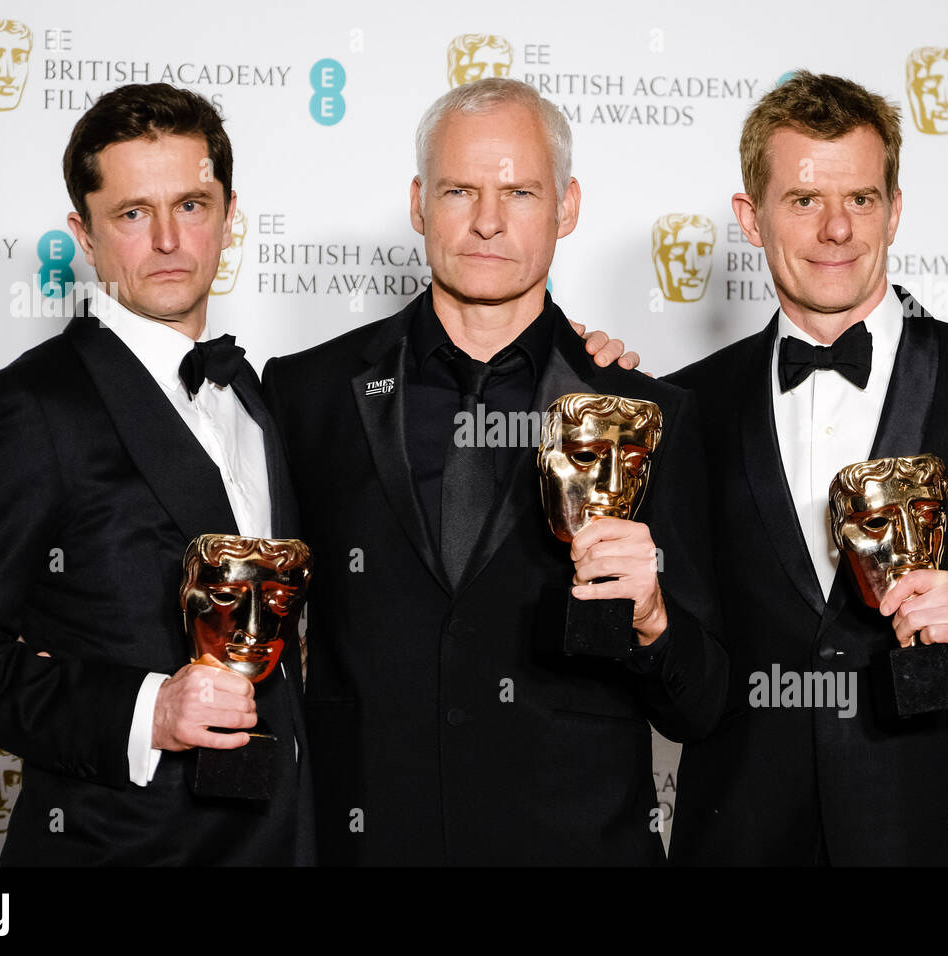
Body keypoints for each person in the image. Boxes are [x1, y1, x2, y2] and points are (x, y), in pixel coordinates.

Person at [666, 71, 948, 865]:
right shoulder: (683, 405)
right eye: (805, 201)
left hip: (940, 838)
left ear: (896, 208)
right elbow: (678, 657)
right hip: (739, 837)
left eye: (862, 199)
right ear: (752, 218)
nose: (837, 229)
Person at [262, 78, 727, 865]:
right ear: (418, 203)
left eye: (519, 191)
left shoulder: (645, 414)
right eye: (459, 191)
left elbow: (704, 702)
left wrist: (651, 621)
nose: (486, 221)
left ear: (567, 206)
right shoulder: (305, 393)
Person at [0, 83, 314, 865]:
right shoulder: (27, 406)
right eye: (131, 213)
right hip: (118, 850)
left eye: (191, 205)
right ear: (83, 236)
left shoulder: (255, 395)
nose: (166, 239)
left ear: (229, 214)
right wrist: (147, 710)